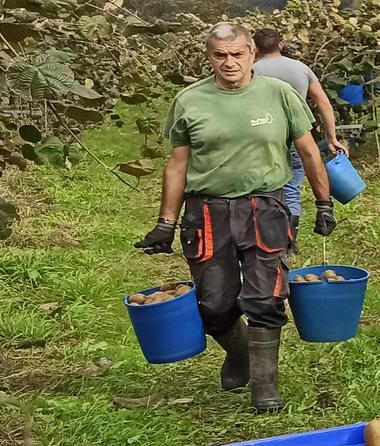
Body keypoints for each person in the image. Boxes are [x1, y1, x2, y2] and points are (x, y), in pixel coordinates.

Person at [136, 23, 336, 411]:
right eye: (220, 55)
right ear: (209, 57)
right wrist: (165, 223)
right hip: (207, 211)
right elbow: (178, 165)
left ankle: (265, 385)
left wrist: (323, 202)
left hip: (264, 207)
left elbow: (310, 152)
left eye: (237, 54)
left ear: (251, 54)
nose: (229, 62)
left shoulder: (277, 94)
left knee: (265, 295)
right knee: (213, 304)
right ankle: (240, 353)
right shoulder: (190, 100)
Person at [251, 27, 342, 220]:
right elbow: (323, 103)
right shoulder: (301, 68)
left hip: (261, 137)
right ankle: (290, 238)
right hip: (297, 135)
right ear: (281, 45)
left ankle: (268, 234)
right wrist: (332, 137)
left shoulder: (252, 71)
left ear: (255, 49)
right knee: (292, 188)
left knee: (262, 188)